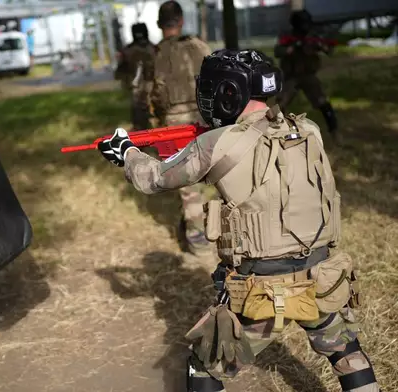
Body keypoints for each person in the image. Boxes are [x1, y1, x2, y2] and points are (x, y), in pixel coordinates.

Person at [98, 48, 380, 392]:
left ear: (226, 93)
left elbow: (153, 178)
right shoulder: (307, 129)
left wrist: (125, 152)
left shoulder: (217, 143)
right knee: (347, 353)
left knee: (204, 367)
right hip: (322, 276)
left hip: (262, 289)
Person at [150, 0, 215, 256]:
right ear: (181, 21)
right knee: (218, 174)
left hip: (173, 124)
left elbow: (154, 93)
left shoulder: (158, 54)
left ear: (159, 24)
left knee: (186, 183)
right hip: (204, 118)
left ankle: (198, 239)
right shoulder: (199, 46)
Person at [274, 9, 341, 144]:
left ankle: (335, 132)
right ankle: (273, 132)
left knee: (323, 103)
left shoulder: (313, 36)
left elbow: (329, 50)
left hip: (308, 76)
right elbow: (278, 51)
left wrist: (321, 46)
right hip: (291, 77)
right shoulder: (288, 36)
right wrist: (291, 48)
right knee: (280, 105)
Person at [114, 23, 156, 131]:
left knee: (139, 123)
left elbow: (118, 74)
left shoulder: (127, 51)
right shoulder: (155, 49)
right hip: (155, 90)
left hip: (136, 92)